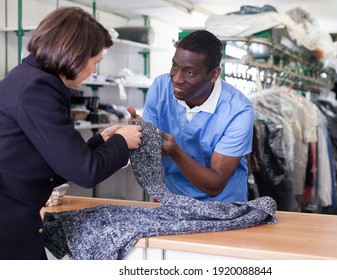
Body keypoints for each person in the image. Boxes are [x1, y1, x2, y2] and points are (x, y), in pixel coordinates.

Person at [0, 6, 142, 260]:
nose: (95, 71)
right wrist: (123, 142)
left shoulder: (28, 77)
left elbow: (59, 158)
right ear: (75, 54)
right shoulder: (38, 86)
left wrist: (102, 141)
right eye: (95, 62)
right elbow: (83, 172)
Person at [129, 30, 254, 202]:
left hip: (223, 205)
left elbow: (215, 184)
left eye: (189, 72)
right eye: (174, 66)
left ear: (214, 75)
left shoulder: (238, 111)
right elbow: (154, 148)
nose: (177, 79)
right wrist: (142, 132)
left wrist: (175, 152)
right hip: (173, 198)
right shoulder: (160, 87)